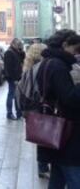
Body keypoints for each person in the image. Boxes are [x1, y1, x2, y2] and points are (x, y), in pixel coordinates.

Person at [36, 31, 80, 189]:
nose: (76, 54)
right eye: (75, 50)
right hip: (66, 132)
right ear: (64, 45)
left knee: (58, 177)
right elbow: (69, 98)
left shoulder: (48, 62)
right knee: (74, 177)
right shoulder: (58, 65)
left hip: (57, 131)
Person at [22, 43, 50, 179]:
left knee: (41, 138)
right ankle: (44, 166)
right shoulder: (44, 68)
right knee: (47, 137)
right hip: (42, 107)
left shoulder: (28, 69)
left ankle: (42, 166)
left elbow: (22, 90)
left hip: (31, 109)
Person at [4, 38, 25, 120]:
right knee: (11, 95)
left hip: (17, 78)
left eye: (19, 44)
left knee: (17, 96)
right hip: (13, 79)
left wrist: (21, 49)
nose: (18, 45)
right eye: (18, 44)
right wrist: (14, 79)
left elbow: (22, 58)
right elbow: (8, 68)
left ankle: (19, 113)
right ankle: (9, 113)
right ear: (12, 43)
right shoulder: (9, 52)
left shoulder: (16, 52)